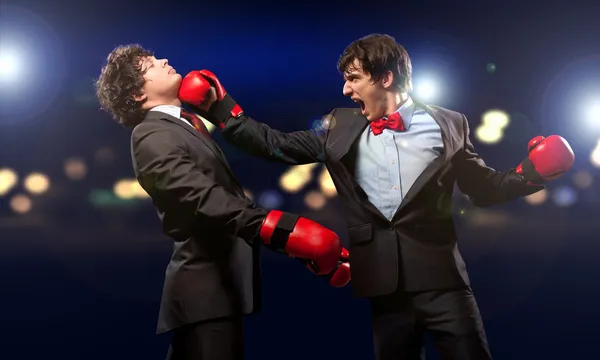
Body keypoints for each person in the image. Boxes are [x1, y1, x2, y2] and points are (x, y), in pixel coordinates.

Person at [178, 34, 574, 360]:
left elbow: (483, 189)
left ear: (385, 79)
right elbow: (273, 144)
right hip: (384, 288)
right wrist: (221, 108)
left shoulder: (450, 123)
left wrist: (530, 173)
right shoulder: (338, 126)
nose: (346, 89)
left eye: (354, 78)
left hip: (445, 283)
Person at [94, 44, 350, 360]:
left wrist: (296, 247)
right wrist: (285, 231)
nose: (164, 60)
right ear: (136, 94)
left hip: (214, 292)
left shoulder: (185, 124)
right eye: (150, 64)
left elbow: (263, 156)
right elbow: (203, 199)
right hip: (204, 291)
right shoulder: (149, 133)